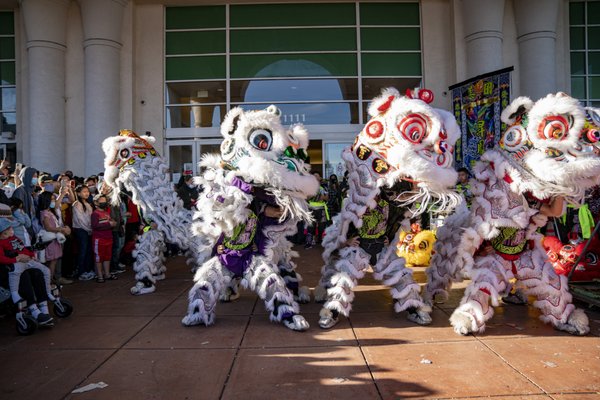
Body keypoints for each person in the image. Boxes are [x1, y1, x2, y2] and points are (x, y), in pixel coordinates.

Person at [0, 216, 54, 326]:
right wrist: (17, 257)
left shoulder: (14, 238)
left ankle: (43, 305)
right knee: (24, 276)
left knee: (37, 273)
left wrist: (30, 256)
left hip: (22, 263)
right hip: (7, 269)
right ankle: (33, 309)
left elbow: (23, 248)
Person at [37, 191, 72, 285]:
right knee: (52, 262)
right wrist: (61, 229)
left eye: (54, 199)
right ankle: (49, 281)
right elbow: (48, 227)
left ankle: (50, 280)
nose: (53, 201)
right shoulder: (45, 213)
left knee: (54, 261)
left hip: (54, 240)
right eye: (51, 199)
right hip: (50, 241)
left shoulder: (50, 212)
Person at [91, 194, 117, 283]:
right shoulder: (95, 214)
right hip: (99, 239)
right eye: (101, 201)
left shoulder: (106, 213)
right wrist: (109, 224)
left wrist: (113, 224)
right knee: (99, 257)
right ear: (96, 203)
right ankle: (100, 275)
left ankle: (107, 274)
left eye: (104, 201)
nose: (104, 203)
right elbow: (95, 226)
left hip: (108, 238)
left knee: (107, 257)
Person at [72, 185, 95, 281]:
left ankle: (87, 269)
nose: (86, 193)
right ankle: (81, 272)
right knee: (83, 250)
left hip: (88, 229)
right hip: (81, 230)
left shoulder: (88, 203)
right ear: (78, 193)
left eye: (87, 191)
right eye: (84, 191)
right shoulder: (77, 204)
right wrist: (89, 229)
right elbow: (80, 220)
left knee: (89, 250)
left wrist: (90, 229)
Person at [11, 166, 38, 240]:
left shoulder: (30, 191)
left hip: (31, 225)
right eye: (33, 176)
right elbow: (18, 211)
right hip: (24, 228)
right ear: (27, 176)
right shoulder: (20, 191)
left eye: (36, 176)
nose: (36, 178)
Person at [305, 172, 329, 249]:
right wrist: (313, 194)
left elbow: (327, 198)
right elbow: (306, 198)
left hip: (321, 209)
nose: (315, 177)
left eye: (317, 176)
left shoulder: (324, 188)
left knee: (322, 227)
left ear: (319, 178)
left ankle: (320, 242)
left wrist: (323, 197)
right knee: (311, 227)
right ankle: (309, 243)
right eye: (313, 176)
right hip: (311, 209)